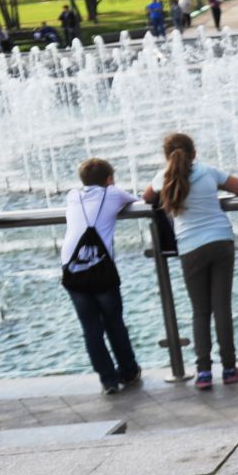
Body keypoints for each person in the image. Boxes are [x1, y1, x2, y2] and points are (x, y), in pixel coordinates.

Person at [142, 133, 238, 389]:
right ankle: (229, 368)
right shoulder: (208, 171)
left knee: (200, 311)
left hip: (190, 248)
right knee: (222, 308)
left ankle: (203, 372)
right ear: (194, 153)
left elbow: (146, 197)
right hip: (220, 242)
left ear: (166, 155)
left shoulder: (162, 178)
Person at [62, 158, 142, 395]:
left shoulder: (72, 195)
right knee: (114, 322)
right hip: (101, 268)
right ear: (109, 179)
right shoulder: (113, 193)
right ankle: (128, 371)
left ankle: (108, 381)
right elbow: (140, 201)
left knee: (90, 328)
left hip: (72, 267)